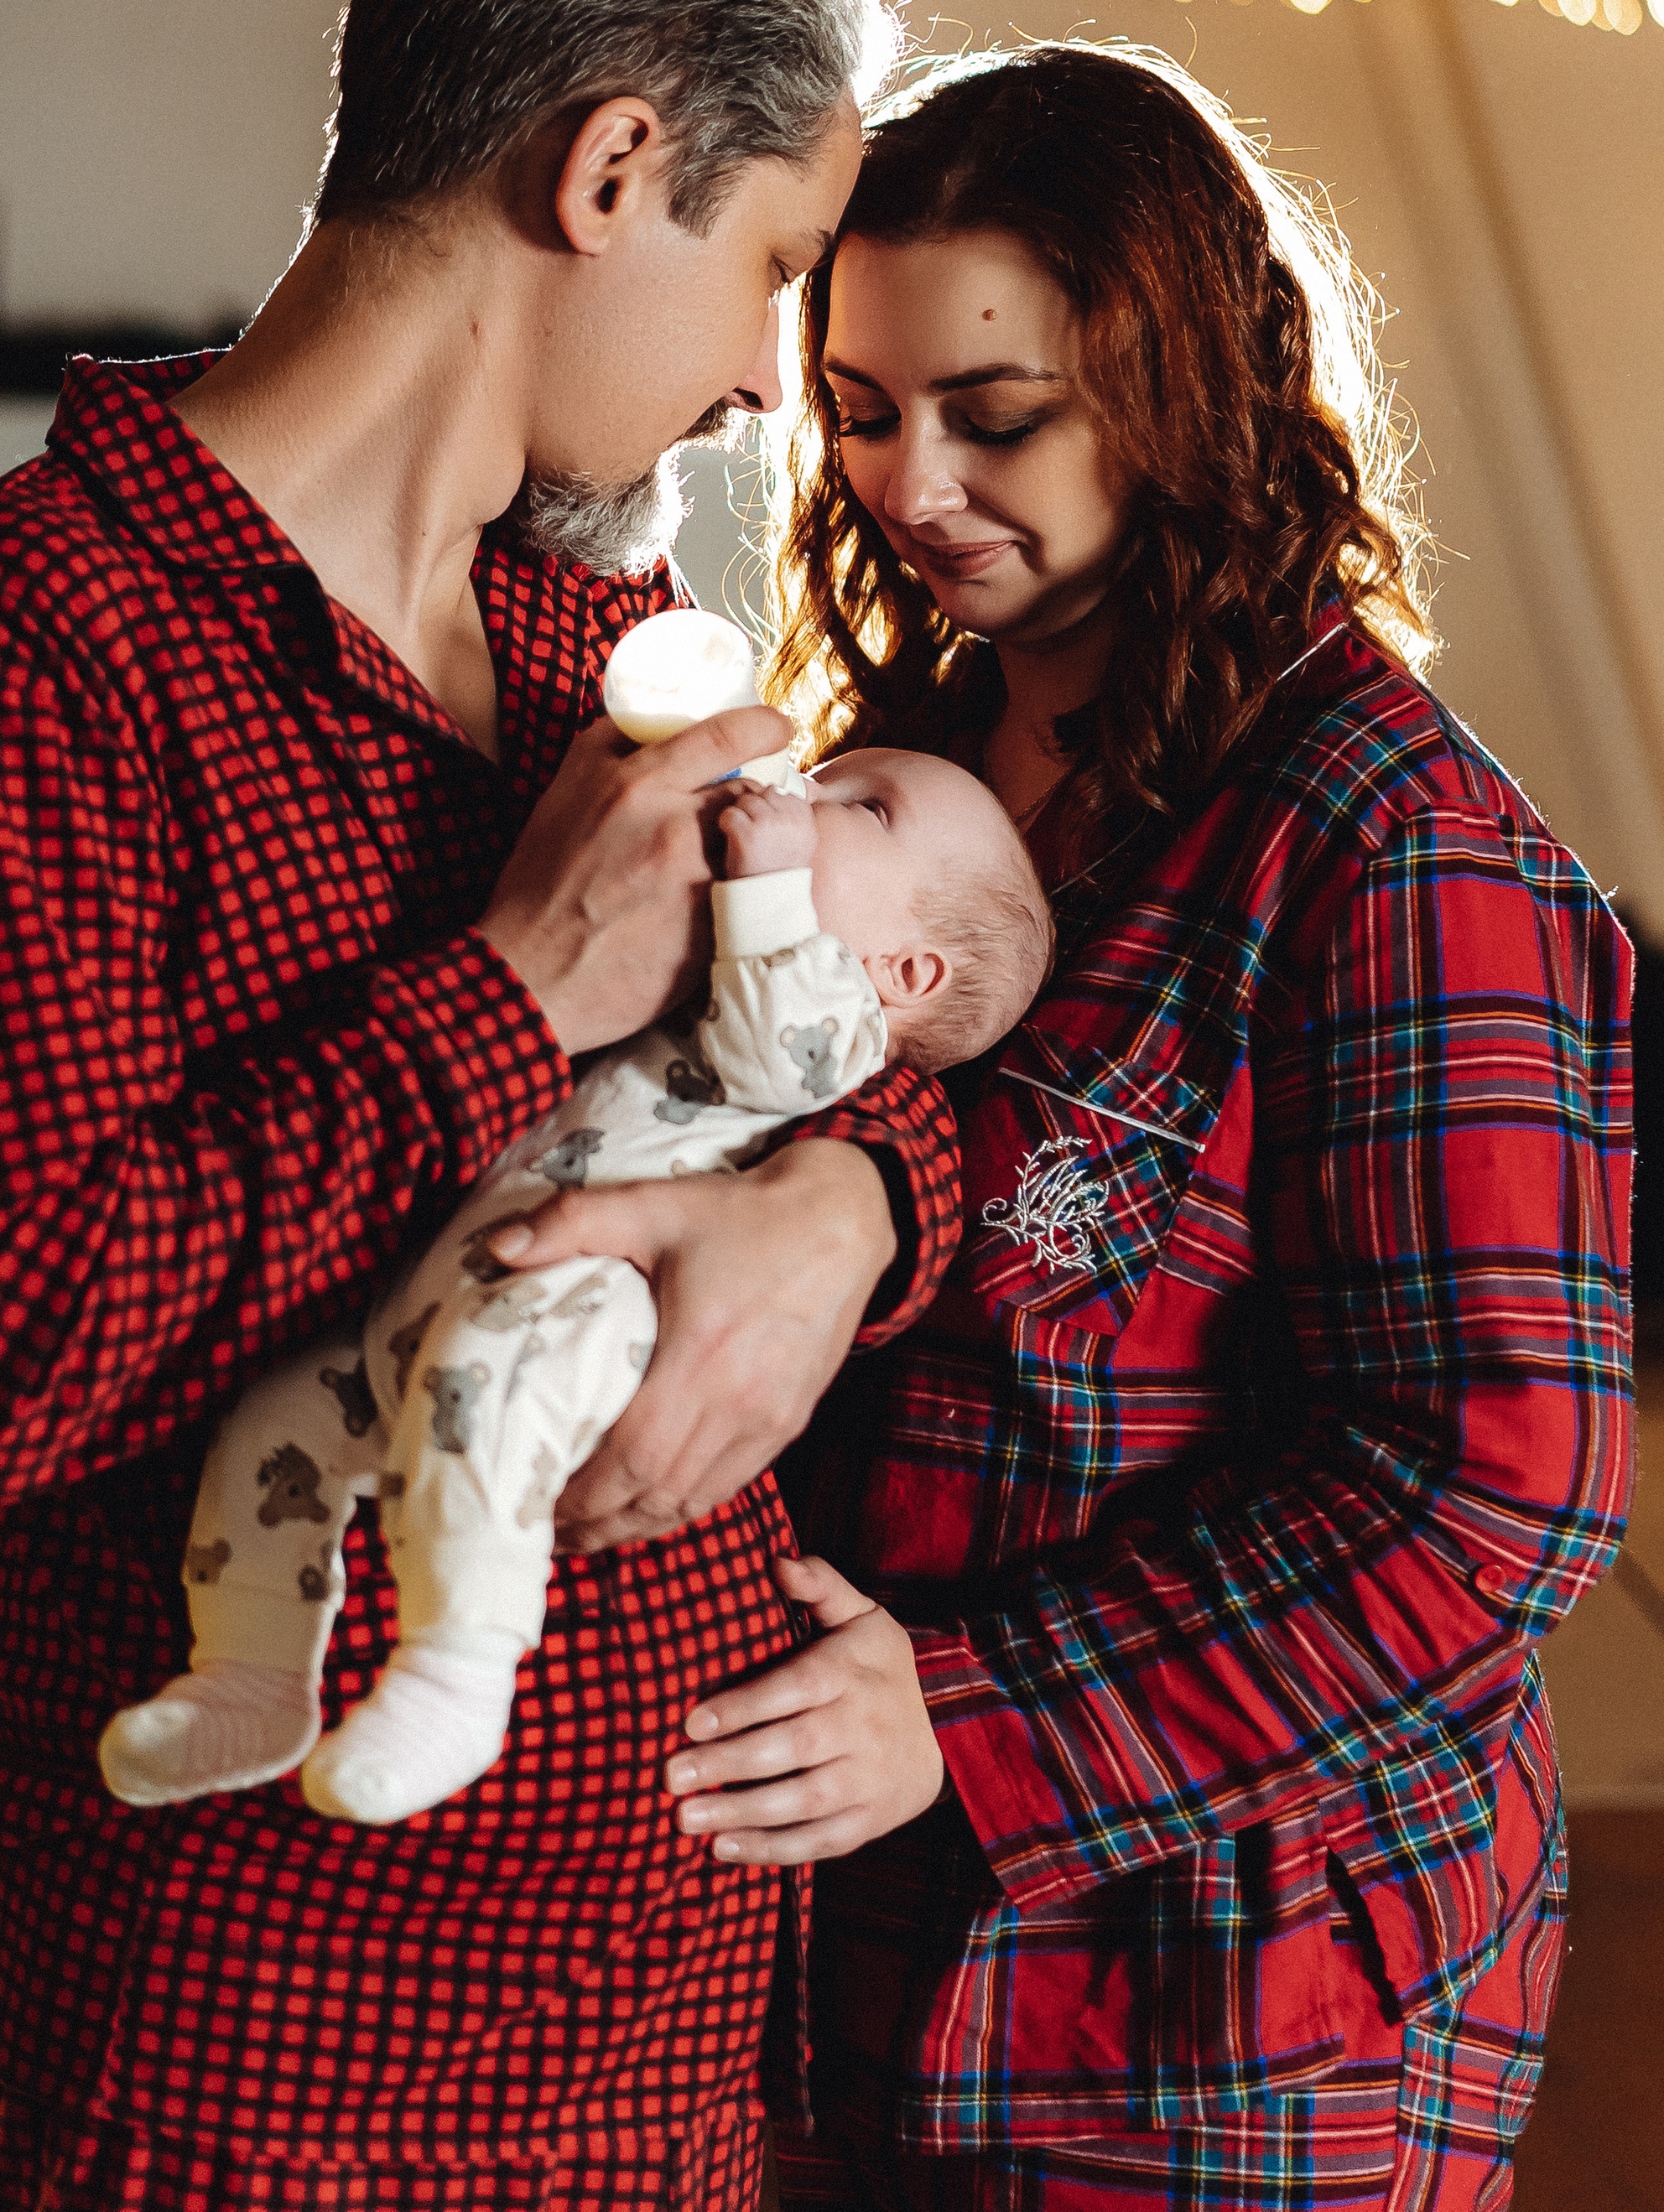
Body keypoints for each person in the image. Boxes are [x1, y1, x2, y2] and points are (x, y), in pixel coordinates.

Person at [0, 0, 963, 2212]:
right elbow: (16, 1357)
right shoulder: (41, 626)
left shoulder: (592, 655)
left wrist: (856, 1205)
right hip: (258, 2054)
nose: (776, 388)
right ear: (614, 166)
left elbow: (855, 1046)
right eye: (773, 267)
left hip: (664, 2022)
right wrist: (513, 989)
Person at [646, 48, 1635, 2210]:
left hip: (1223, 2001)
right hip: (871, 1950)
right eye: (866, 407)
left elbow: (1496, 1487)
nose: (912, 482)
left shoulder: (1389, 843)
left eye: (993, 416)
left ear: (1176, 380)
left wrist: (971, 1716)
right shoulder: (908, 755)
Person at [99, 751, 1051, 1828]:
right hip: (454, 1285)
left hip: (587, 1306)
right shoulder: (724, 957)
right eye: (824, 771)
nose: (808, 791)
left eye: (860, 805)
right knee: (277, 1423)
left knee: (481, 1409)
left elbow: (782, 1053)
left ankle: (455, 1671)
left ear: (906, 974)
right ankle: (253, 1672)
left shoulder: (833, 1015)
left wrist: (773, 876)